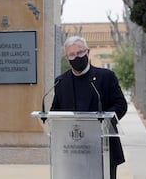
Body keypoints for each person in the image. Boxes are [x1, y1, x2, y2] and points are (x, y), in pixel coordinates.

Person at [51, 35, 128, 179]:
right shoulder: (61, 82)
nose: (77, 57)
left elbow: (120, 105)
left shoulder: (106, 77)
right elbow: (55, 112)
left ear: (87, 52)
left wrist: (103, 122)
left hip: (103, 148)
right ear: (67, 58)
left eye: (80, 52)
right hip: (73, 150)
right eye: (72, 55)